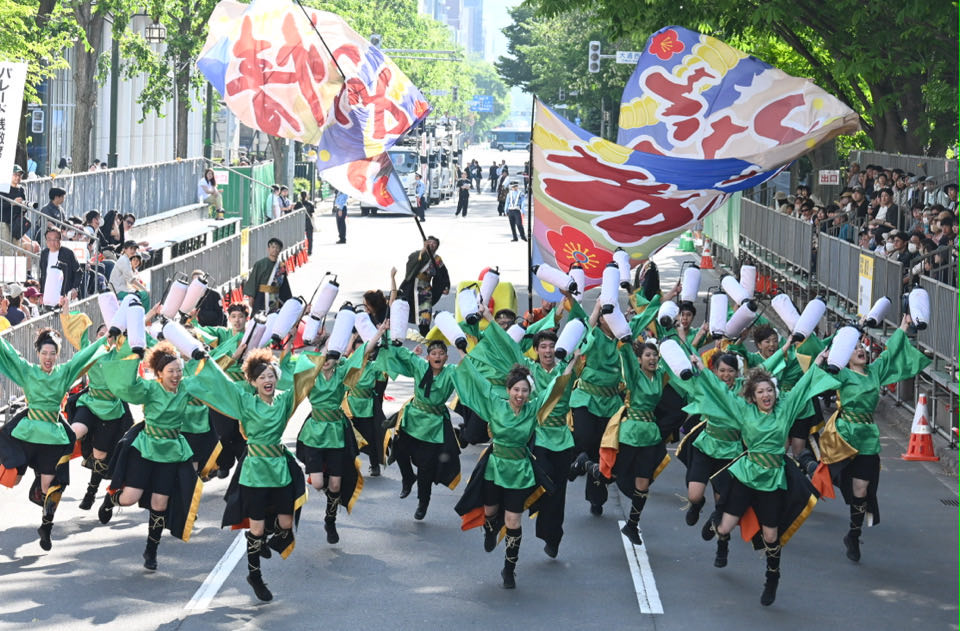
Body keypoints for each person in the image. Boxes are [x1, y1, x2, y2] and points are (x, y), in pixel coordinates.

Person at [693, 349, 838, 606]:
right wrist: (703, 370)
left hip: (773, 481)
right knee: (725, 527)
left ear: (775, 393)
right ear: (752, 396)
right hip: (747, 475)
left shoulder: (785, 410)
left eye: (769, 390)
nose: (766, 395)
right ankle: (719, 529)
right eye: (760, 392)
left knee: (771, 536)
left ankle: (772, 578)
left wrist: (817, 362)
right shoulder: (743, 411)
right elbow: (721, 393)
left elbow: (804, 387)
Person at [813, 315, 929, 564]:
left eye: (861, 346)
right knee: (837, 477)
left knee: (862, 489)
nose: (860, 350)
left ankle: (853, 534)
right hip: (843, 436)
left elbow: (890, 353)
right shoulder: (841, 374)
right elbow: (820, 375)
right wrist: (827, 355)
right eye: (853, 348)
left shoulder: (875, 373)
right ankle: (810, 465)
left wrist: (903, 328)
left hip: (866, 437)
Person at [453, 356, 575, 588]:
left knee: (513, 521)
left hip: (520, 472)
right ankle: (490, 529)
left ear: (530, 393)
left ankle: (509, 569)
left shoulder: (533, 409)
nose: (520, 395)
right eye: (516, 390)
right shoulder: (495, 403)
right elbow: (477, 381)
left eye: (525, 391)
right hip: (494, 468)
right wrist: (462, 355)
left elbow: (555, 388)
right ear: (508, 390)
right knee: (490, 512)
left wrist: (571, 362)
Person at [98, 342, 204, 571]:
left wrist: (204, 356)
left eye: (179, 370)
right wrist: (133, 356)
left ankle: (151, 550)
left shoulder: (186, 388)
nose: (176, 375)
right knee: (129, 498)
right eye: (170, 371)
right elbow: (127, 385)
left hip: (171, 451)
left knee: (160, 503)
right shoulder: (150, 389)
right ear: (159, 373)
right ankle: (110, 499)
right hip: (146, 448)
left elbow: (211, 382)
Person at [0, 327, 107, 550]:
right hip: (27, 433)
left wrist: (108, 338)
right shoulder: (27, 370)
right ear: (38, 353)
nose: (48, 358)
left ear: (57, 354)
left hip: (51, 435)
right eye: (44, 353)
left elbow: (83, 357)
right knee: (12, 478)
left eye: (52, 353)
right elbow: (8, 353)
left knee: (51, 485)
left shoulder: (64, 372)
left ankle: (46, 528)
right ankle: (29, 478)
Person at [296, 322, 386, 545]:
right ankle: (328, 489)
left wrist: (379, 333)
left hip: (337, 432)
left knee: (336, 485)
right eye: (324, 354)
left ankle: (330, 519)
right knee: (318, 483)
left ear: (339, 356)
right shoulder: (310, 373)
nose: (327, 359)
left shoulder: (343, 373)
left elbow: (363, 352)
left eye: (332, 355)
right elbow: (288, 367)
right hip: (315, 431)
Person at [60, 312, 135, 511]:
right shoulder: (91, 351)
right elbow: (77, 334)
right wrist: (66, 312)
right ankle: (52, 471)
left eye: (109, 333)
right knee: (74, 431)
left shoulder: (120, 355)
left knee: (100, 455)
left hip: (111, 409)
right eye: (102, 333)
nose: (106, 336)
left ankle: (91, 492)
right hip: (90, 401)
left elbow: (136, 343)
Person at [380, 339, 462, 521]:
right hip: (413, 417)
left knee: (426, 468)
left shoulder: (451, 372)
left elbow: (467, 368)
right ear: (428, 357)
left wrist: (463, 349)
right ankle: (408, 477)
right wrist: (386, 337)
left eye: (441, 354)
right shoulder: (420, 366)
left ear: (446, 357)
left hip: (433, 426)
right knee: (399, 449)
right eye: (434, 354)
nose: (438, 357)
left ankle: (423, 502)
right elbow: (403, 354)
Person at [399, 236, 450, 336]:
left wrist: (445, 286)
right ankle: (397, 331)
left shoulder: (437, 259)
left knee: (425, 310)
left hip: (425, 289)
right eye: (429, 242)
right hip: (411, 287)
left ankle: (425, 332)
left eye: (434, 243)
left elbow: (443, 273)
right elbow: (411, 265)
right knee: (403, 307)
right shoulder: (416, 254)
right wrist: (422, 253)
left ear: (437, 247)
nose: (431, 244)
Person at [243, 238, 292, 312]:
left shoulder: (281, 266)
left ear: (280, 250)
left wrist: (288, 300)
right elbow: (254, 280)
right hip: (260, 296)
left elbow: (284, 284)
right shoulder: (260, 264)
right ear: (268, 249)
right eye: (273, 247)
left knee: (272, 317)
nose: (275, 250)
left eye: (277, 248)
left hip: (275, 297)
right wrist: (251, 297)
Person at [39, 228, 82, 305]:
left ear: (60, 240)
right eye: (49, 239)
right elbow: (43, 274)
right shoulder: (44, 254)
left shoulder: (68, 253)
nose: (52, 242)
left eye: (55, 239)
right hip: (48, 296)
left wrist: (75, 288)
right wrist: (41, 293)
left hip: (64, 295)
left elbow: (78, 272)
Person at [110, 240, 149, 305]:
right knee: (145, 294)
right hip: (119, 292)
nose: (133, 251)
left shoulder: (126, 259)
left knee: (142, 292)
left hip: (121, 290)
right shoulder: (124, 260)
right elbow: (132, 280)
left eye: (134, 249)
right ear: (125, 249)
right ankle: (146, 315)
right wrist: (145, 289)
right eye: (131, 248)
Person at [1, 165, 26, 243]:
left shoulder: (21, 189)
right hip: (4, 222)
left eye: (19, 175)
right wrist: (12, 202)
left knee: (16, 249)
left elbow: (24, 204)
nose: (17, 177)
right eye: (15, 175)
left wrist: (24, 208)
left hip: (16, 223)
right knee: (7, 250)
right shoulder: (3, 187)